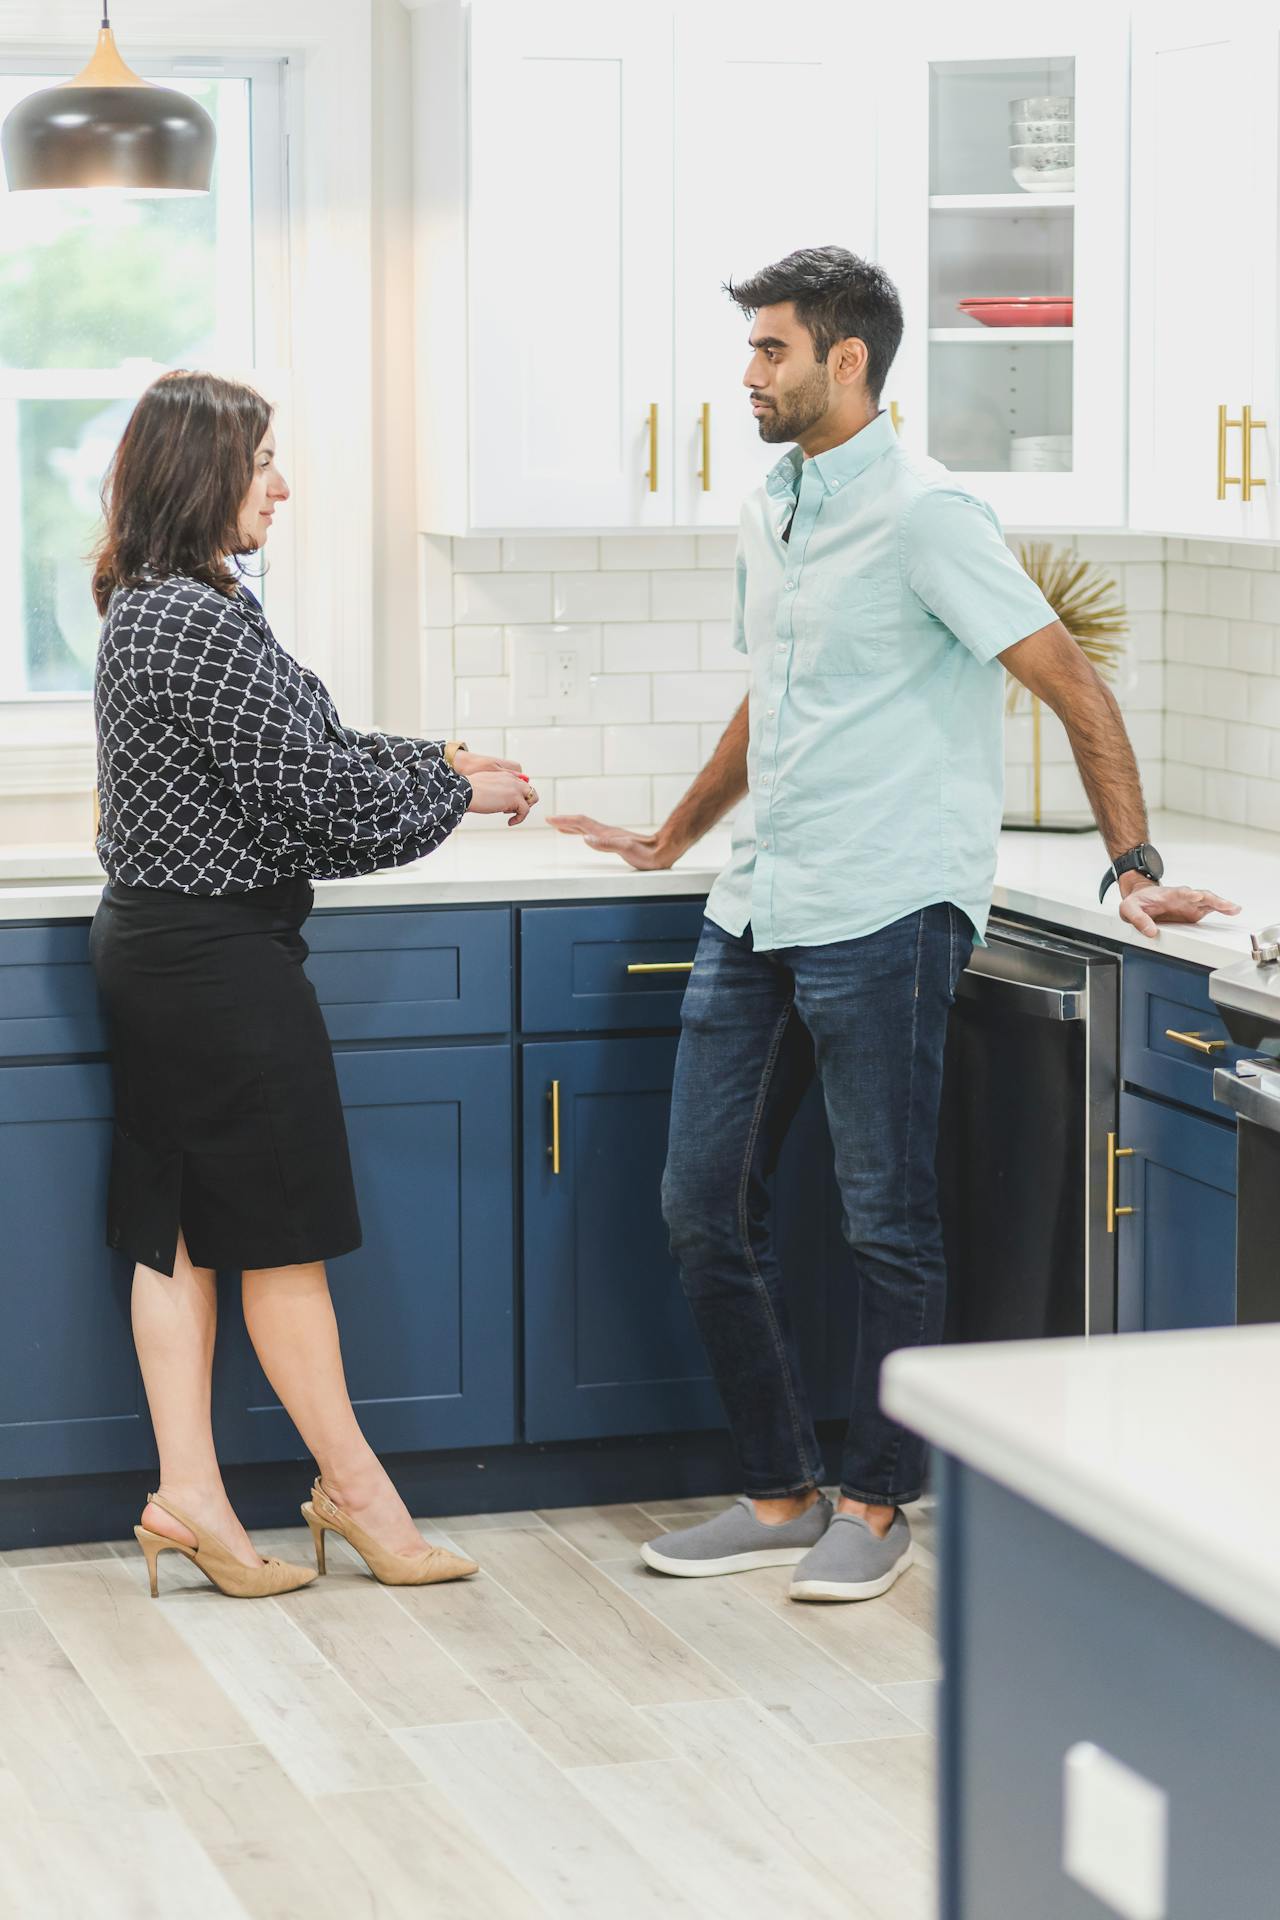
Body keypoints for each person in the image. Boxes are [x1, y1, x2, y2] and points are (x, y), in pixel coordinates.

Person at [550, 247, 1237, 1604]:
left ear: (846, 360)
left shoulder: (931, 516)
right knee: (702, 1205)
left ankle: (878, 1498)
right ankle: (777, 1488)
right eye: (749, 349)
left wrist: (1134, 863)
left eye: (771, 351)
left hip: (887, 906)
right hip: (762, 898)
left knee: (885, 1221)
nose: (747, 374)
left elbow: (1072, 684)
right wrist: (674, 835)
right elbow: (776, 693)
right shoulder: (778, 506)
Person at [89, 369, 539, 1598]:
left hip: (162, 949)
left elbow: (314, 751)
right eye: (262, 462)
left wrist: (430, 755)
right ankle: (359, 1498)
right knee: (279, 1244)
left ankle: (189, 1499)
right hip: (218, 968)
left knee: (175, 1233)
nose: (280, 486)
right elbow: (328, 808)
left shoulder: (166, 602)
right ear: (204, 476)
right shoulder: (195, 619)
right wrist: (459, 794)